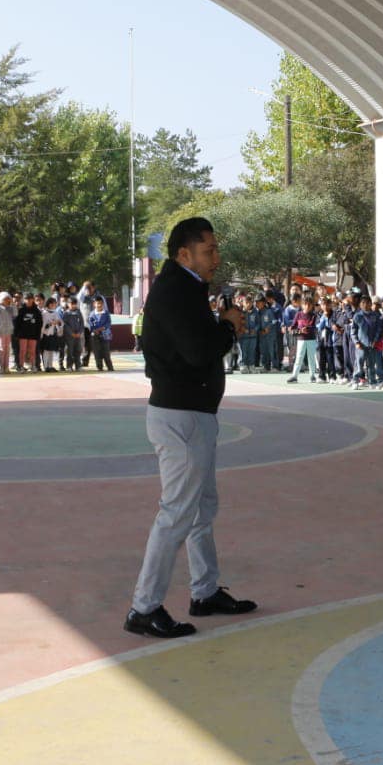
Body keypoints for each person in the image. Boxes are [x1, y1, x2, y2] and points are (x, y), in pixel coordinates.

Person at [126, 217, 256, 639]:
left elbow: (194, 347)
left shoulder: (185, 289)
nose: (216, 258)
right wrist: (227, 326)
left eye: (216, 249)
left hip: (192, 413)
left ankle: (203, 592)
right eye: (208, 250)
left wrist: (217, 323)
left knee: (200, 508)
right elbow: (199, 352)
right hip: (180, 416)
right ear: (184, 254)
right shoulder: (176, 292)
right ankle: (143, 608)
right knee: (177, 513)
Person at [88, 297, 115, 371]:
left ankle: (110, 367)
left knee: (106, 351)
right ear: (94, 304)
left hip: (105, 335)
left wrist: (102, 328)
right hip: (95, 335)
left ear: (103, 304)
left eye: (101, 303)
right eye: (97, 303)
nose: (99, 305)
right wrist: (94, 330)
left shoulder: (106, 313)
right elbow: (91, 324)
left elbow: (108, 323)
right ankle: (99, 367)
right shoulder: (92, 314)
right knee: (97, 352)